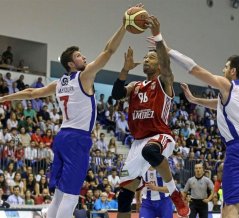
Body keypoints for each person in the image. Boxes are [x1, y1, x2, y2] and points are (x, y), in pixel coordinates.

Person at [0, 3, 129, 215]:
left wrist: (5, 97)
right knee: (70, 196)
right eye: (79, 56)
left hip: (61, 138)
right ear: (71, 64)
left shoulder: (59, 83)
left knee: (60, 193)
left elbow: (32, 93)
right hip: (77, 138)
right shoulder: (84, 76)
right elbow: (109, 50)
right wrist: (124, 26)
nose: (84, 57)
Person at [111, 16, 189, 218]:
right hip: (137, 143)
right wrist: (125, 69)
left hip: (160, 136)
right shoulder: (135, 86)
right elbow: (117, 94)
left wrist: (158, 36)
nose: (146, 59)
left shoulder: (164, 82)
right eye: (145, 57)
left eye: (151, 58)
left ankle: (174, 192)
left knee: (150, 151)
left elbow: (166, 62)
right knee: (124, 196)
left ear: (160, 65)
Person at [164, 41, 239, 218]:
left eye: (226, 67)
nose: (223, 70)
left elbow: (195, 70)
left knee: (231, 204)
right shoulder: (233, 94)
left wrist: (169, 51)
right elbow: (219, 104)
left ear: (233, 71)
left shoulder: (227, 85)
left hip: (236, 148)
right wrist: (195, 99)